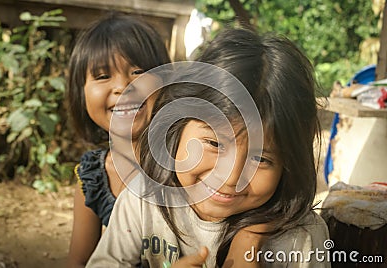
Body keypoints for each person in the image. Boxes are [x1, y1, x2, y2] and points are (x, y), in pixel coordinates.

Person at [86, 28, 330, 268]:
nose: (231, 177)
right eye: (214, 144)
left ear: (288, 166)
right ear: (176, 125)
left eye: (260, 159)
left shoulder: (301, 239)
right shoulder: (143, 201)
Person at [66, 13, 171, 267]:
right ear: (80, 92)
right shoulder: (93, 175)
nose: (123, 86)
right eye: (103, 76)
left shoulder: (186, 165)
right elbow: (78, 261)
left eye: (138, 71)